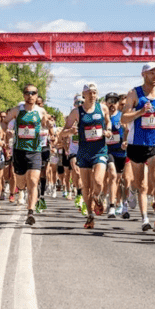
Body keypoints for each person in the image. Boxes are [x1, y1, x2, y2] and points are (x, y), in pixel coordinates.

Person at [120, 63, 155, 233]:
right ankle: (144, 218)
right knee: (142, 184)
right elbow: (124, 119)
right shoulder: (134, 93)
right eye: (151, 73)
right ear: (143, 75)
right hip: (137, 144)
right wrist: (140, 112)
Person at [2, 84, 52, 226]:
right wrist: (6, 130)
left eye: (33, 93)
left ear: (37, 95)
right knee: (21, 182)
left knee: (33, 181)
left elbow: (46, 123)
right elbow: (4, 122)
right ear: (24, 95)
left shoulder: (41, 111)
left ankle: (30, 212)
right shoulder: (17, 110)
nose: (30, 95)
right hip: (19, 150)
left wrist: (48, 124)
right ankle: (21, 190)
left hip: (35, 151)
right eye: (27, 93)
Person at [64, 83, 110, 229]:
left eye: (95, 92)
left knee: (98, 181)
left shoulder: (102, 108)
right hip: (84, 153)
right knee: (86, 186)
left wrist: (108, 130)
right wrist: (70, 131)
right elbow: (63, 132)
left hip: (100, 151)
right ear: (84, 95)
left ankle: (97, 197)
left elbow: (108, 123)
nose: (92, 95)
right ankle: (90, 214)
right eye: (89, 92)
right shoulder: (76, 112)